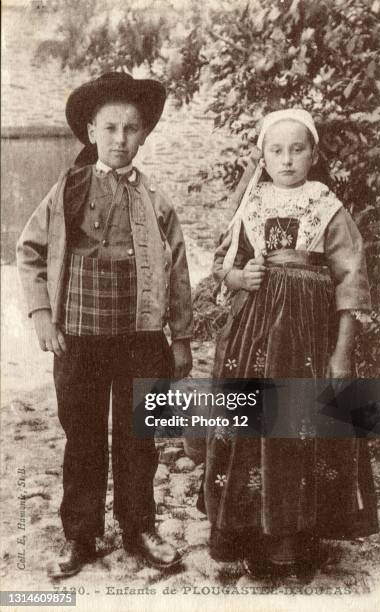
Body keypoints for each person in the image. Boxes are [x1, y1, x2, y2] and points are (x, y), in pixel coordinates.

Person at [16, 72, 193, 578]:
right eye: (111, 128)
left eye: (131, 129)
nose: (121, 140)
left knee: (140, 436)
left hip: (140, 340)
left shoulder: (156, 201)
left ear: (143, 134)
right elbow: (30, 251)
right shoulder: (67, 190)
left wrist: (180, 338)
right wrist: (43, 316)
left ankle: (139, 528)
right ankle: (82, 535)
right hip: (80, 340)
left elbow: (177, 269)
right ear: (91, 131)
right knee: (84, 437)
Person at [198, 109, 379, 576]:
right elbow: (223, 264)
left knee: (301, 429)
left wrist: (342, 352)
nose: (287, 159)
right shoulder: (250, 205)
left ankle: (295, 540)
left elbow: (351, 280)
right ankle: (249, 533)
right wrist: (242, 275)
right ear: (262, 155)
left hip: (308, 340)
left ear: (313, 154)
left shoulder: (326, 207)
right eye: (276, 150)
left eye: (297, 149)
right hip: (254, 339)